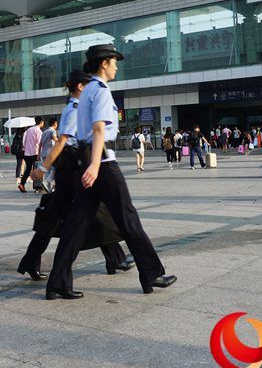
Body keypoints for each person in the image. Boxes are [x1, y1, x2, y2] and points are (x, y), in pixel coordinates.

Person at [46, 44, 176, 300]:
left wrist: (90, 164)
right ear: (104, 63)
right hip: (102, 162)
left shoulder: (87, 92)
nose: (116, 67)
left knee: (76, 226)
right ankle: (151, 273)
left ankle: (57, 282)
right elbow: (98, 130)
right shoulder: (101, 91)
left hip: (88, 159)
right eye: (114, 62)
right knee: (128, 219)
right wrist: (96, 165)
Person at [22, 71, 133, 280]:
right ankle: (113, 258)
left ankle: (114, 258)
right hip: (72, 171)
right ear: (81, 87)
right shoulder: (74, 110)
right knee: (92, 212)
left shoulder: (77, 108)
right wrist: (43, 169)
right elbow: (61, 143)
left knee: (75, 214)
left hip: (73, 169)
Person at [18, 117, 44, 193]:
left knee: (28, 169)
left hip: (27, 153)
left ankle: (22, 184)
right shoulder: (38, 131)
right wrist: (40, 153)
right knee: (37, 169)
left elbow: (24, 142)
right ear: (41, 122)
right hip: (35, 153)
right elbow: (39, 143)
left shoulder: (28, 130)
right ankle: (38, 186)